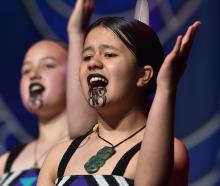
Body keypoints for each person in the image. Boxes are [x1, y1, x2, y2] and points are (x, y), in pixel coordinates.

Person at [37, 0, 200, 185]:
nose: (93, 63)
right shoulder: (58, 157)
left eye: (109, 54)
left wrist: (166, 87)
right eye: (87, 56)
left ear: (144, 75)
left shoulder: (172, 152)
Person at [0, 40, 70, 185]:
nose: (33, 75)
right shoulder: (5, 163)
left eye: (48, 65)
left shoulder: (89, 150)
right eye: (26, 70)